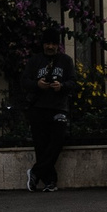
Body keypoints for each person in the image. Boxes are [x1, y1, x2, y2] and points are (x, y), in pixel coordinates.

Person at [23, 28, 77, 192]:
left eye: (53, 43)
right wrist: (37, 85)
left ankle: (35, 172)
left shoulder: (66, 61)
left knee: (57, 141)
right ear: (43, 44)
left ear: (58, 45)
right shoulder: (34, 61)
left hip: (59, 107)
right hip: (38, 107)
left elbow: (73, 82)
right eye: (47, 43)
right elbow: (24, 81)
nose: (50, 47)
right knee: (41, 146)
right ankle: (50, 181)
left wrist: (62, 86)